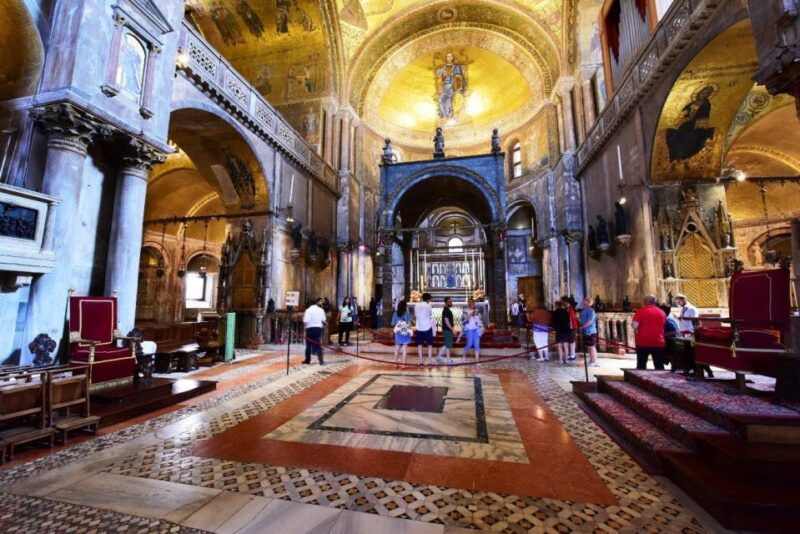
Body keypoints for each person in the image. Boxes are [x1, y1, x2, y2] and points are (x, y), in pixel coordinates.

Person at [674, 294, 713, 378]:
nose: (678, 303)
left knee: (693, 351)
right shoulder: (683, 309)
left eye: (679, 302)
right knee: (687, 351)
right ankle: (690, 368)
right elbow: (684, 320)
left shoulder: (691, 309)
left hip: (690, 332)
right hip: (684, 332)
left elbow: (695, 321)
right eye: (677, 302)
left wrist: (693, 332)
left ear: (684, 300)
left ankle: (704, 370)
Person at [632, 295, 667, 370]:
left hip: (643, 341)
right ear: (654, 302)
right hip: (658, 341)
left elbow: (634, 326)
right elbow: (663, 324)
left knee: (641, 365)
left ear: (645, 302)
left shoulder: (640, 311)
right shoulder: (662, 312)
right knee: (659, 365)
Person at [458, 298, 484, 363]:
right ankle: (463, 357)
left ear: (474, 304)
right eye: (469, 302)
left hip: (476, 329)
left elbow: (480, 320)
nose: (470, 304)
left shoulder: (477, 311)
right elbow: (463, 321)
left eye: (471, 302)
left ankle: (477, 360)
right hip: (468, 329)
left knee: (477, 344)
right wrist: (469, 315)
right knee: (469, 343)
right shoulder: (465, 311)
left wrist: (482, 327)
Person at [303, 297, 327, 365]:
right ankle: (321, 360)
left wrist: (305, 327)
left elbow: (306, 321)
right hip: (318, 329)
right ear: (316, 303)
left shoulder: (308, 310)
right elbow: (324, 320)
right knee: (318, 344)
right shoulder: (321, 310)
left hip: (310, 329)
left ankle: (307, 360)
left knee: (308, 345)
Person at [552, 300, 574, 364]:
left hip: (559, 330)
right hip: (566, 330)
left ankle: (561, 360)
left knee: (559, 345)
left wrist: (555, 327)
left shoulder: (555, 312)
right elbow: (568, 321)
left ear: (556, 305)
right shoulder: (566, 312)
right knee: (565, 345)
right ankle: (566, 359)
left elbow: (553, 321)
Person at [415, 293, 435, 365]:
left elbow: (416, 314)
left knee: (419, 345)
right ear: (428, 299)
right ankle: (429, 361)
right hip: (427, 327)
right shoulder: (428, 306)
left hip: (419, 327)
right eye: (430, 299)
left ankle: (420, 361)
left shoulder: (417, 305)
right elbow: (430, 314)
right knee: (429, 345)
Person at [579, 297, 599, 367]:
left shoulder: (591, 310)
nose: (583, 301)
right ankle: (591, 359)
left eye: (585, 301)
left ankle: (594, 361)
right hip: (585, 330)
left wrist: (582, 327)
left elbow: (589, 321)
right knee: (588, 346)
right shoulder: (583, 310)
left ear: (588, 302)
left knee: (591, 346)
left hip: (590, 331)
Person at [391, 299, 412, 365]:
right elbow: (409, 324)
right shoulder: (406, 314)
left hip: (398, 333)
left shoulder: (395, 313)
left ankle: (395, 363)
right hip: (405, 333)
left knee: (397, 349)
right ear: (405, 307)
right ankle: (403, 364)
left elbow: (392, 323)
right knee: (404, 350)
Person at [436, 297, 456, 364]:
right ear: (446, 302)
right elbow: (446, 321)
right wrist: (452, 330)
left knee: (447, 344)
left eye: (451, 301)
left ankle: (439, 356)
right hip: (447, 329)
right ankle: (448, 359)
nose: (451, 303)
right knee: (448, 345)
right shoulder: (446, 310)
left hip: (447, 329)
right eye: (450, 302)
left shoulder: (446, 309)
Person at [565, 296, 579, 361]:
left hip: (571, 327)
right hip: (573, 327)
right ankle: (572, 354)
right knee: (571, 342)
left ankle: (572, 355)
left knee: (571, 342)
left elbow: (570, 319)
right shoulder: (572, 309)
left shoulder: (570, 309)